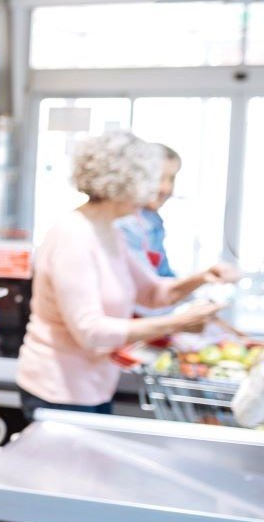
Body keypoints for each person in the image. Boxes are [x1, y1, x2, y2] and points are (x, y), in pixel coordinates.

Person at [16, 131, 236, 423]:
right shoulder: (74, 236)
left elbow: (153, 293)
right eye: (150, 183)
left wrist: (201, 278)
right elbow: (90, 331)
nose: (156, 193)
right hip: (58, 389)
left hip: (95, 383)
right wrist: (178, 323)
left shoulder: (110, 230)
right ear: (122, 184)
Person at [118, 143, 180, 277]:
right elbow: (145, 285)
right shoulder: (122, 223)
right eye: (159, 178)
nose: (167, 189)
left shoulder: (153, 220)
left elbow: (164, 275)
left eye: (172, 179)